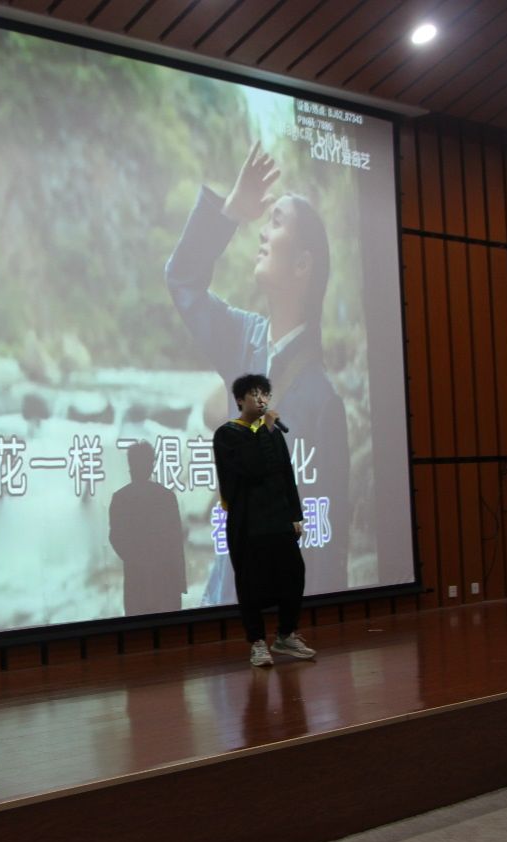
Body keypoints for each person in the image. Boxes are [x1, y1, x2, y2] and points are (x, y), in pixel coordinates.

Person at [167, 141, 350, 600]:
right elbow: (183, 280)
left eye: (277, 222)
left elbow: (328, 550)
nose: (263, 233)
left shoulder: (323, 402)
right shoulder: (242, 338)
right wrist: (229, 214)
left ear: (303, 264)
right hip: (224, 593)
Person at [214, 373, 316, 668]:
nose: (261, 400)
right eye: (254, 394)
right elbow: (251, 467)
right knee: (250, 583)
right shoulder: (227, 434)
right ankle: (257, 642)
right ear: (239, 400)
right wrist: (265, 429)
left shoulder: (271, 433)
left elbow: (286, 474)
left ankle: (285, 634)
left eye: (265, 394)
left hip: (278, 518)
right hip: (247, 522)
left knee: (294, 574)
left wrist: (295, 515)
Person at [109, 442, 187, 616]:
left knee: (138, 630)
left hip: (136, 582)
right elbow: (176, 543)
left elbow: (115, 538)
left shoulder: (120, 498)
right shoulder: (167, 497)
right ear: (151, 466)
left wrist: (135, 558)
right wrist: (181, 583)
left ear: (130, 467)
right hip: (167, 583)